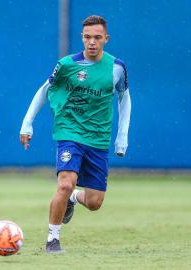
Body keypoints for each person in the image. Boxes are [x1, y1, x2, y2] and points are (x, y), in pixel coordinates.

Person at [19, 15, 131, 253]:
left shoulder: (117, 67)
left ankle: (73, 199)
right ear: (82, 37)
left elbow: (124, 99)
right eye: (87, 37)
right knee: (65, 184)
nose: (92, 42)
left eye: (97, 37)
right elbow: (45, 90)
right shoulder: (67, 65)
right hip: (69, 131)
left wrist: (122, 136)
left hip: (98, 138)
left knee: (94, 202)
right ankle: (52, 239)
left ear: (106, 39)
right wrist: (27, 124)